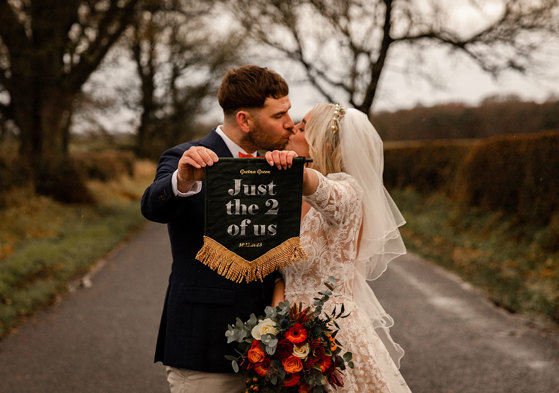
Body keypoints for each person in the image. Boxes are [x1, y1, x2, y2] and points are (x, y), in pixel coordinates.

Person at [141, 65, 295, 393]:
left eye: (289, 112)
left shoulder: (276, 164)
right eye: (279, 114)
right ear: (244, 120)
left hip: (272, 350)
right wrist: (182, 180)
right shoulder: (184, 157)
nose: (290, 124)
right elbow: (152, 206)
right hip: (204, 344)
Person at [266, 103, 412, 392]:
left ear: (322, 141)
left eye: (302, 126)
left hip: (332, 333)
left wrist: (297, 170)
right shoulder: (290, 200)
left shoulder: (348, 194)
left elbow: (320, 189)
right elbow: (284, 273)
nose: (292, 130)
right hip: (287, 333)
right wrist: (274, 322)